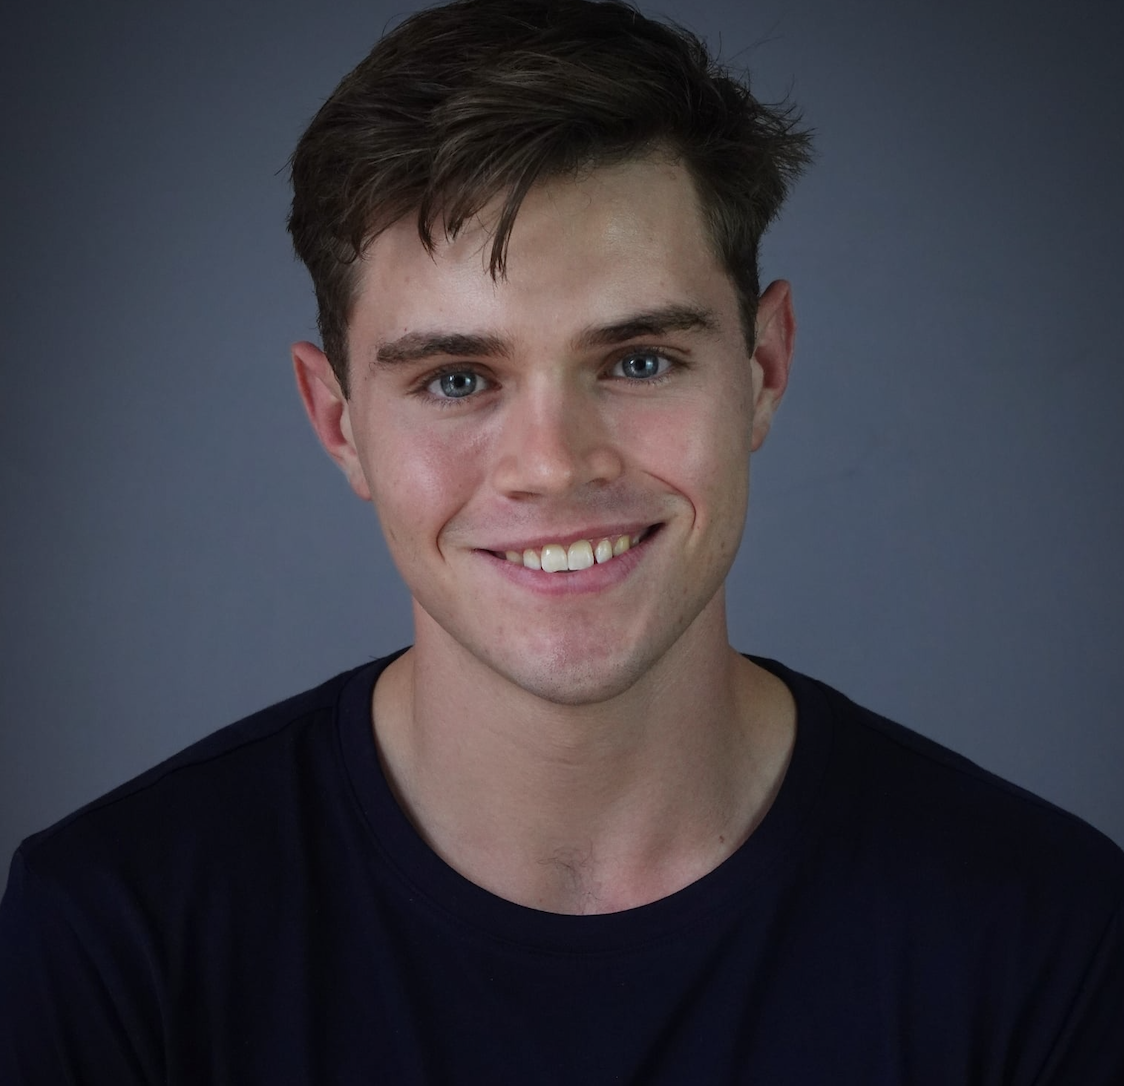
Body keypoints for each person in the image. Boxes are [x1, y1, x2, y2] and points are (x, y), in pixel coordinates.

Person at [1, 0, 1121, 1081]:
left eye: (638, 361)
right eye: (455, 379)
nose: (553, 464)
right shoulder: (115, 935)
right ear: (339, 423)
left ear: (763, 369)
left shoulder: (1046, 936)